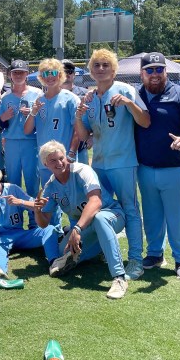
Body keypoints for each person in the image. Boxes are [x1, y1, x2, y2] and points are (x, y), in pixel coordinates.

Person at [74, 48, 150, 281]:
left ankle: (136, 260)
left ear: (114, 69)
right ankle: (102, 251)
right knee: (101, 210)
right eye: (96, 65)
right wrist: (78, 115)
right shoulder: (90, 97)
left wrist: (129, 103)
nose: (101, 69)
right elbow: (83, 133)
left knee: (130, 209)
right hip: (99, 164)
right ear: (91, 70)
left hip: (123, 162)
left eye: (105, 65)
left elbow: (145, 121)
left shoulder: (127, 90)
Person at [135, 52, 180, 281]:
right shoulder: (136, 95)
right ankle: (154, 254)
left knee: (178, 218)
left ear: (165, 71)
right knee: (152, 217)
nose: (155, 74)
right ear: (142, 73)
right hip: (145, 168)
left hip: (176, 168)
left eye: (159, 70)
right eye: (150, 70)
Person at [35, 140, 128, 299]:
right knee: (62, 252)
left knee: (99, 219)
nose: (59, 163)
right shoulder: (50, 186)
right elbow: (44, 223)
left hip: (111, 214)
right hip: (85, 225)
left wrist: (76, 229)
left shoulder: (82, 170)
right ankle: (98, 250)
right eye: (53, 160)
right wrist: (37, 210)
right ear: (45, 163)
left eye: (61, 158)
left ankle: (119, 278)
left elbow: (96, 202)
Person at [0, 159, 58, 279]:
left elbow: (36, 205)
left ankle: (55, 262)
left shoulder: (12, 189)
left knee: (49, 229)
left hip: (20, 234)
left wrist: (20, 202)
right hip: (1, 238)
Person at [24, 58, 80, 234]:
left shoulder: (70, 99)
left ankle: (76, 232)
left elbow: (78, 130)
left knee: (72, 196)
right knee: (49, 198)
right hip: (45, 162)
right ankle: (53, 233)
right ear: (41, 77)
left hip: (64, 160)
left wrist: (71, 153)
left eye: (53, 73)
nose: (50, 77)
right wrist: (33, 112)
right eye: (46, 74)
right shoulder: (38, 100)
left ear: (60, 75)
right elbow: (27, 130)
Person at [0, 60, 41, 208]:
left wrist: (33, 114)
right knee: (13, 183)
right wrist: (4, 117)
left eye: (21, 72)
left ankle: (34, 219)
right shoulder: (5, 97)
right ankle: (14, 217)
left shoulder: (37, 94)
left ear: (27, 74)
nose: (18, 75)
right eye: (15, 72)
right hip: (12, 142)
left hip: (31, 142)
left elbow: (44, 119)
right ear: (10, 75)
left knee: (32, 182)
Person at [60, 59, 91, 164]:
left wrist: (92, 136)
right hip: (59, 146)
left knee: (81, 178)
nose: (66, 74)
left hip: (80, 148)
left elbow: (94, 117)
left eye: (69, 71)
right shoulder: (51, 95)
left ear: (74, 74)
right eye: (63, 71)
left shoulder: (85, 94)